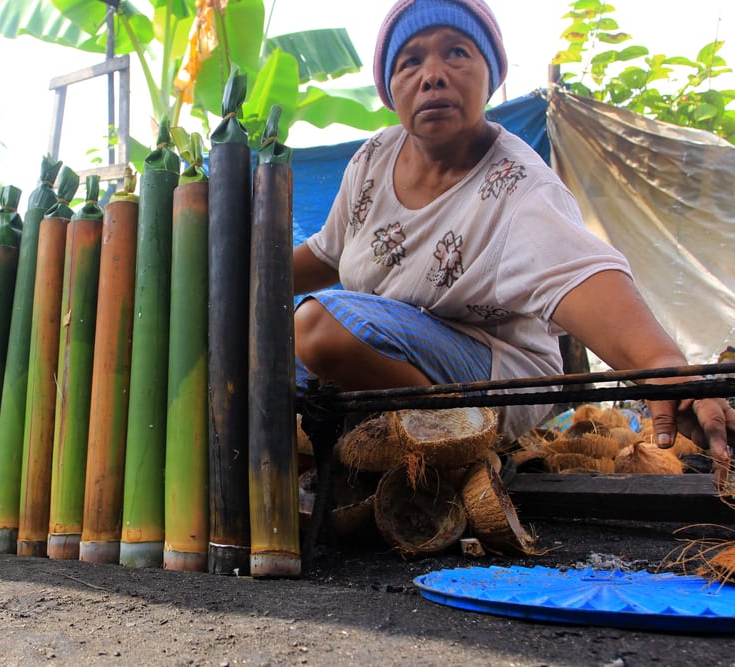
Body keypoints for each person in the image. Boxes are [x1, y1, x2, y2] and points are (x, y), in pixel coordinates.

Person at [292, 0, 734, 477]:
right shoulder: (373, 158)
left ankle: (455, 454)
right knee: (259, 361)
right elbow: (329, 252)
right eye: (411, 61)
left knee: (318, 330)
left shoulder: (517, 186)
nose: (433, 75)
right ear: (389, 88)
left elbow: (585, 279)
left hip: (494, 375)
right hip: (390, 354)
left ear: (492, 74)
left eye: (457, 52)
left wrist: (669, 374)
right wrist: (227, 280)